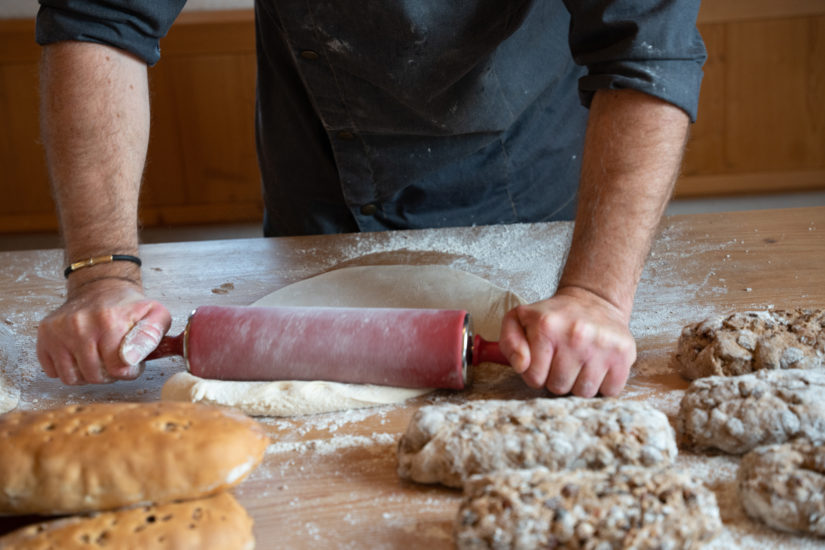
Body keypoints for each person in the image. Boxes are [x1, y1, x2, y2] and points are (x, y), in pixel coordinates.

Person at [34, 1, 706, 397]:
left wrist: (595, 294)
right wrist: (100, 274)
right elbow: (100, 17)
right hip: (318, 185)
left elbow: (645, 50)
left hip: (527, 194)